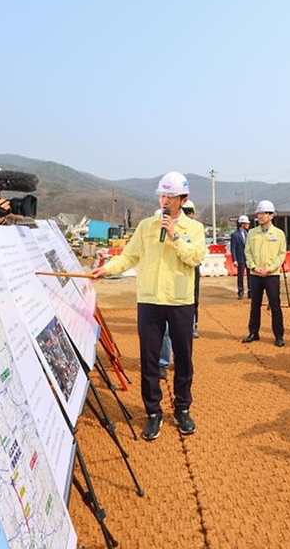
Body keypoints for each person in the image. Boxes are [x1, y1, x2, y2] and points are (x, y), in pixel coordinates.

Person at [92, 171, 206, 440]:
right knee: (150, 359)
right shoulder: (146, 226)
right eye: (162, 195)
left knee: (184, 359)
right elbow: (129, 257)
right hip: (150, 301)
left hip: (180, 301)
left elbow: (196, 258)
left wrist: (175, 236)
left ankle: (182, 409)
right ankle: (153, 412)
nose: (165, 200)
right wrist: (106, 269)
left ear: (183, 199)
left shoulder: (195, 229)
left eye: (171, 196)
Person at [241, 200, 286, 347]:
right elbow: (247, 252)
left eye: (263, 213)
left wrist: (270, 268)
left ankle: (279, 335)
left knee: (275, 305)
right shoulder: (252, 233)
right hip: (255, 275)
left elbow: (281, 254)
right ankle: (253, 332)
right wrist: (253, 267)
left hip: (271, 275)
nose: (259, 216)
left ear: (271, 215)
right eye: (258, 213)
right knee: (255, 304)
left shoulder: (279, 234)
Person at [181, 199, 202, 337]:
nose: (188, 215)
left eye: (189, 212)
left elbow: (199, 251)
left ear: (193, 213)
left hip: (193, 268)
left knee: (193, 298)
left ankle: (193, 325)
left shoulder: (197, 229)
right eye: (185, 212)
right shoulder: (174, 227)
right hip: (177, 269)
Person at [230, 215, 250, 300]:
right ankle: (240, 291)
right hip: (240, 258)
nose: (248, 225)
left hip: (248, 259)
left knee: (251, 276)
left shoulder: (248, 234)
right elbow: (233, 248)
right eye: (247, 223)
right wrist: (234, 260)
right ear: (242, 224)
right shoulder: (235, 234)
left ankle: (250, 291)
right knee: (240, 276)